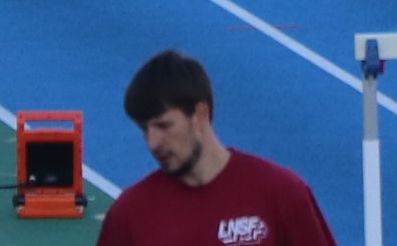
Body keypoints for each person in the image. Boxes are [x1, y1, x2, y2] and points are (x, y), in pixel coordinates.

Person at [97, 49, 336, 246]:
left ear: (200, 114)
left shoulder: (282, 193)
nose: (153, 142)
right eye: (144, 129)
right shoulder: (130, 213)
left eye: (164, 125)